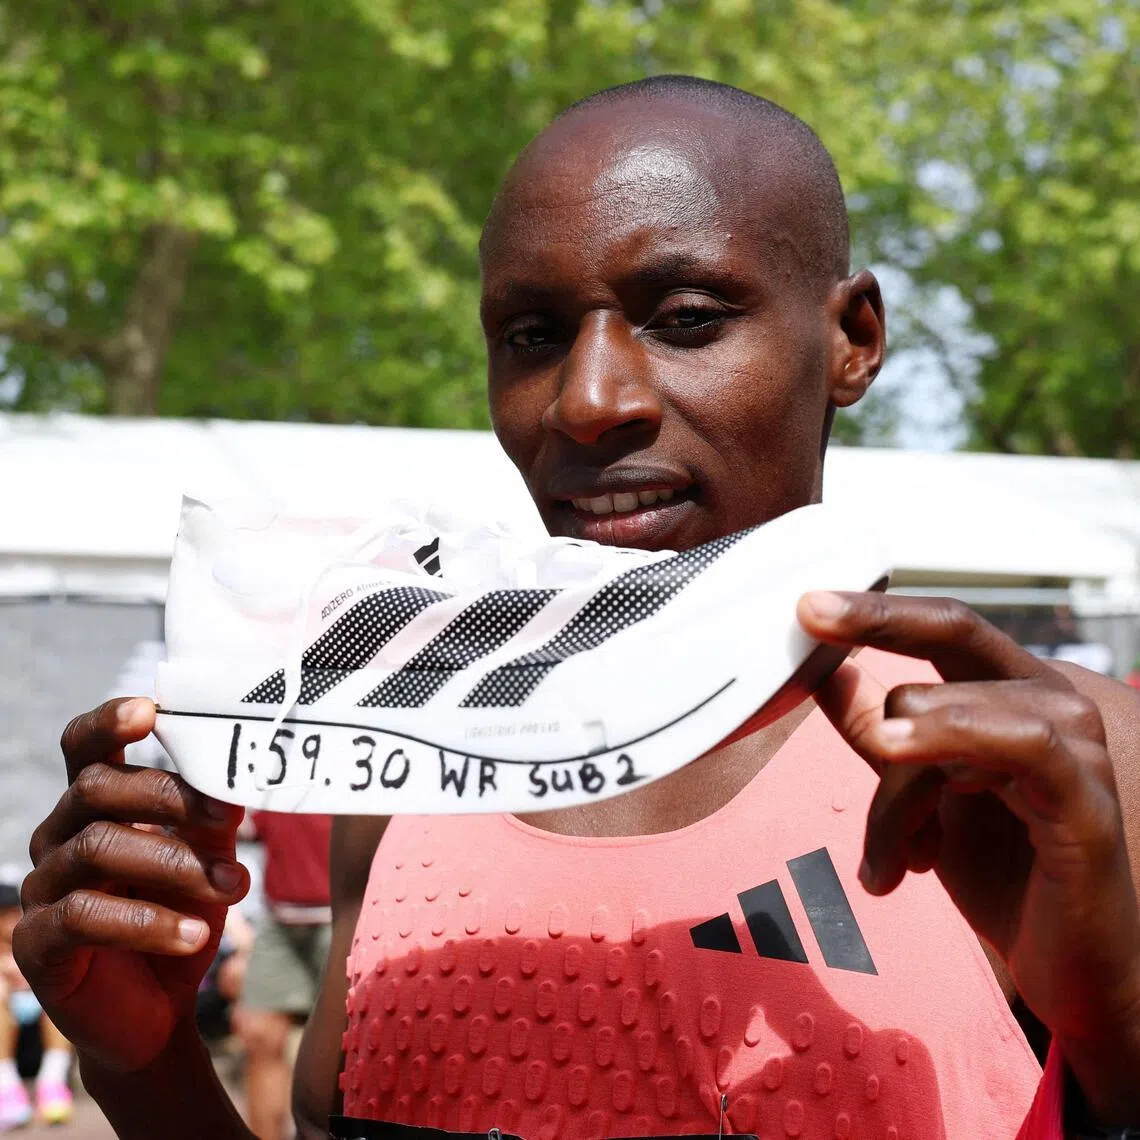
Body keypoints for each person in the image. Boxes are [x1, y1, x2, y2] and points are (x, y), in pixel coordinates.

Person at [11, 75, 1140, 1139]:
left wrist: (1117, 1034)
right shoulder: (410, 758)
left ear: (853, 340)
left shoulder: (1066, 766)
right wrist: (144, 1063)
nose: (588, 401)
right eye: (533, 336)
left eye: (687, 317)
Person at [232, 812, 333, 1140]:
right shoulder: (272, 767)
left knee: (345, 1052)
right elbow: (243, 824)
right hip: (279, 919)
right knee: (259, 1036)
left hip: (342, 916)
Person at [0, 880, 73, 1129]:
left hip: (41, 1036)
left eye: (13, 912)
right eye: (4, 914)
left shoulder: (35, 946)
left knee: (59, 992)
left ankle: (52, 1082)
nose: (11, 919)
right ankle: (5, 1087)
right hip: (9, 1038)